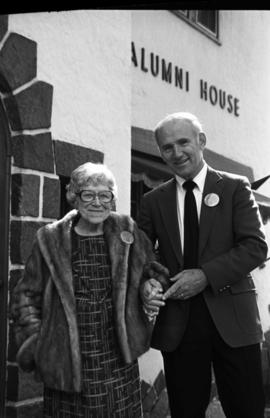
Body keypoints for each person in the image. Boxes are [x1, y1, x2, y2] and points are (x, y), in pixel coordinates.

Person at [11, 162, 168, 418]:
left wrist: (151, 286)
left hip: (118, 357)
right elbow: (26, 296)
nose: (98, 202)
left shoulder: (126, 230)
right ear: (74, 197)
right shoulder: (49, 239)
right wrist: (38, 344)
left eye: (105, 195)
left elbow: (153, 268)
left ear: (112, 198)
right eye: (88, 194)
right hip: (67, 359)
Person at [139, 112, 268, 418]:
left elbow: (255, 247)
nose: (177, 152)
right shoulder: (153, 201)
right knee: (185, 410)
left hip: (233, 318)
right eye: (167, 147)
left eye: (183, 142)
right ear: (160, 152)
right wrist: (147, 282)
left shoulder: (236, 187)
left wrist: (205, 276)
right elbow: (144, 257)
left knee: (246, 409)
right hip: (179, 322)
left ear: (201, 141)